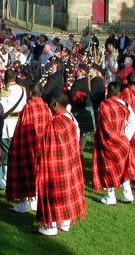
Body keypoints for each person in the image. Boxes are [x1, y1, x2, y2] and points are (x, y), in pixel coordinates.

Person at [36, 91, 86, 236]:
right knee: (66, 191)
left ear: (55, 104)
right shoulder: (70, 119)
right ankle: (64, 221)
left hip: (55, 163)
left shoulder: (53, 123)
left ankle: (50, 226)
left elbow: (47, 147)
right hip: (69, 160)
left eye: (51, 102)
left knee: (52, 192)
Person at [5, 83, 51, 213]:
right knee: (38, 172)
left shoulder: (28, 107)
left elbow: (22, 126)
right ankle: (35, 199)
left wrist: (16, 144)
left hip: (28, 144)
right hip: (42, 145)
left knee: (25, 173)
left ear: (31, 93)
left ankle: (24, 202)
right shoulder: (45, 106)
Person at [93, 82, 135, 205]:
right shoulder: (126, 106)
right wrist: (126, 137)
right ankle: (127, 194)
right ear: (119, 92)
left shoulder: (104, 106)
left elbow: (101, 125)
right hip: (122, 142)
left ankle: (110, 196)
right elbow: (132, 122)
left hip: (108, 142)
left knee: (109, 169)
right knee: (123, 169)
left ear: (108, 92)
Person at [0, 69, 27, 189]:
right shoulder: (22, 89)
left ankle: (6, 178)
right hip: (18, 123)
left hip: (7, 123)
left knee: (7, 153)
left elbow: (1, 107)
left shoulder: (4, 90)